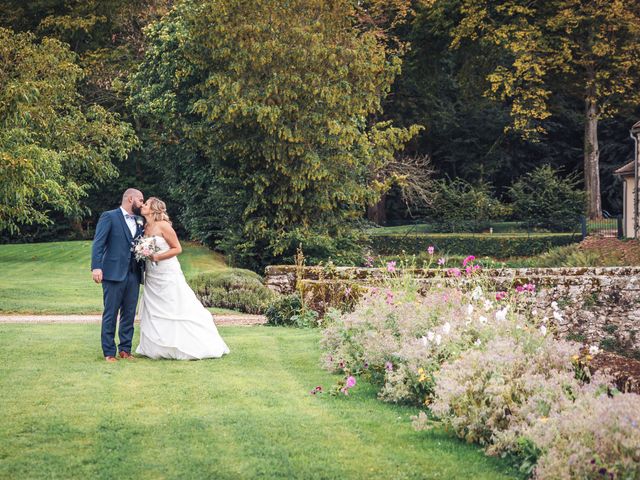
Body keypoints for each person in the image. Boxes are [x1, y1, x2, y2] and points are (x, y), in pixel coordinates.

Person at [135, 197, 230, 360]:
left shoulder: (164, 226)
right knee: (155, 305)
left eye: (146, 204)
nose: (142, 206)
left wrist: (157, 257)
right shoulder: (144, 227)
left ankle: (187, 345)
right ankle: (157, 347)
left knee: (174, 303)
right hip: (152, 273)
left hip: (167, 271)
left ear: (154, 209)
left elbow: (177, 248)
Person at [91, 188, 145, 362]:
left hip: (134, 273)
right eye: (141, 200)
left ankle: (125, 350)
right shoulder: (109, 216)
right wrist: (96, 267)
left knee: (129, 313)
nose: (142, 204)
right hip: (113, 273)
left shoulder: (139, 220)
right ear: (130, 198)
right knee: (111, 313)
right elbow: (98, 244)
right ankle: (109, 352)